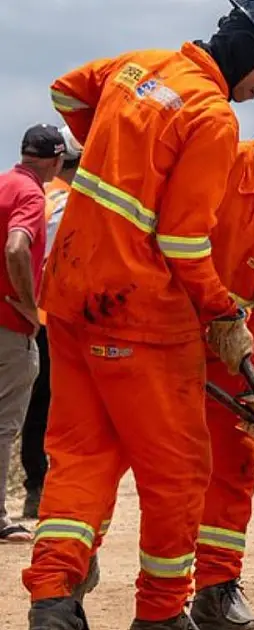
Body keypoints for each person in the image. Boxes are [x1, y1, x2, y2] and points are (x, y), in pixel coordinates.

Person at [24, 2, 254, 628]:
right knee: (180, 472)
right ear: (248, 50)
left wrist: (112, 143)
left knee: (82, 456)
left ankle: (52, 600)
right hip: (138, 316)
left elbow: (63, 91)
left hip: (71, 297)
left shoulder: (137, 68)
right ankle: (160, 616)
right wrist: (220, 310)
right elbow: (185, 242)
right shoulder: (211, 120)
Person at [80, 64, 254, 630]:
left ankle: (216, 589)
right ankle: (76, 564)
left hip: (224, 346)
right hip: (153, 330)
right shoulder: (219, 161)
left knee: (236, 457)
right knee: (113, 453)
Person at [0, 124, 65, 544]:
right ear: (57, 161)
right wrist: (27, 302)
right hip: (11, 326)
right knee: (5, 425)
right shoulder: (30, 194)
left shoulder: (4, 183)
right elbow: (16, 248)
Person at [19, 126, 81, 521]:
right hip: (56, 318)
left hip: (26, 316)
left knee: (30, 410)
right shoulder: (71, 197)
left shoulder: (33, 192)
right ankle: (50, 490)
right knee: (58, 407)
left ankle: (35, 489)